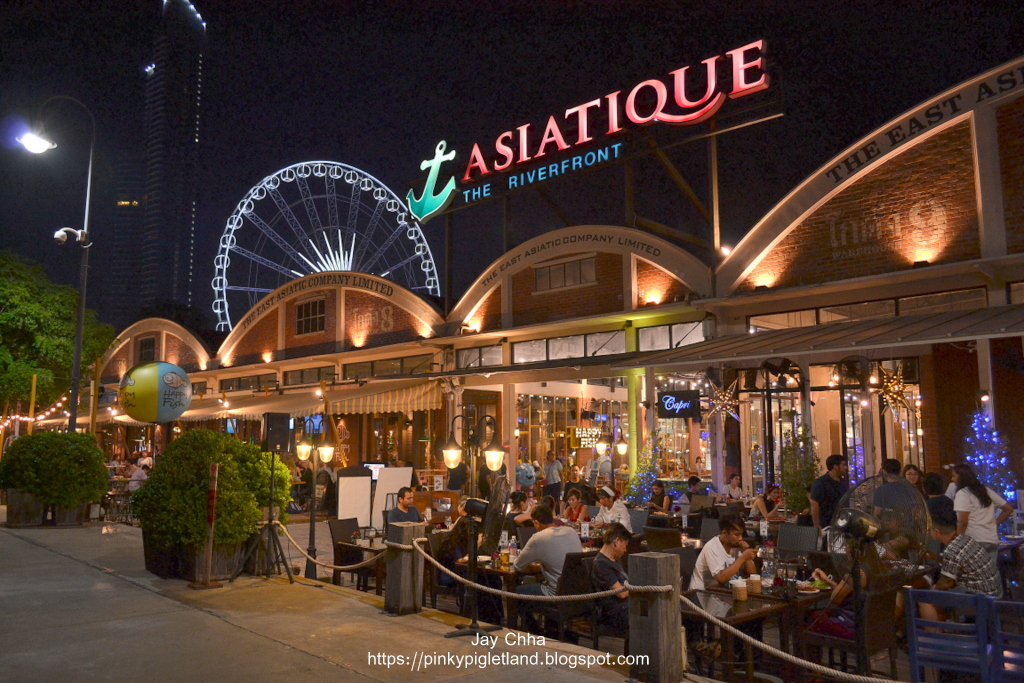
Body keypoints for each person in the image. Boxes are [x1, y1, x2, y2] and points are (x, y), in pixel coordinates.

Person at [916, 502, 1003, 623]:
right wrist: (936, 558)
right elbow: (959, 562)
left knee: (925, 599)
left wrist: (932, 589)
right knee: (936, 595)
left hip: (980, 600)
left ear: (937, 532)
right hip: (994, 594)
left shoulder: (951, 550)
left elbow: (944, 584)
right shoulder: (964, 538)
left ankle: (935, 633)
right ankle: (947, 629)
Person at [514, 504, 583, 632]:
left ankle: (535, 631)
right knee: (543, 582)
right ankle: (551, 630)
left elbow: (518, 566)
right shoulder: (571, 531)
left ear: (536, 523)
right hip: (578, 593)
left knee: (514, 593)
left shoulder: (538, 538)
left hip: (556, 594)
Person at [950, 463, 1013, 561]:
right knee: (989, 570)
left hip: (973, 540)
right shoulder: (985, 490)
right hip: (991, 539)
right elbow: (1008, 509)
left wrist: (958, 542)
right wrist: (994, 523)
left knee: (973, 570)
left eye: (954, 476)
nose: (952, 479)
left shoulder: (963, 493)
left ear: (961, 477)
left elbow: (963, 521)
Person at [690, 515, 757, 591]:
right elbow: (721, 579)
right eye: (737, 535)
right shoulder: (712, 548)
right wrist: (742, 558)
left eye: (742, 534)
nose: (740, 538)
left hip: (724, 590)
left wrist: (746, 554)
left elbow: (752, 574)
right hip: (703, 592)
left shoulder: (736, 545)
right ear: (724, 533)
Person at [590, 522, 630, 631]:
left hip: (624, 606)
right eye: (625, 545)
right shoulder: (601, 564)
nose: (625, 550)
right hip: (614, 612)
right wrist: (638, 588)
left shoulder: (614, 560)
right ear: (616, 542)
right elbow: (621, 593)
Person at [809, 454, 848, 536]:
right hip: (826, 525)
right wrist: (817, 525)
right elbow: (814, 503)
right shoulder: (821, 483)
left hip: (842, 524)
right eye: (843, 465)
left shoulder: (843, 482)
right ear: (835, 467)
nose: (846, 467)